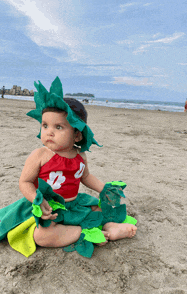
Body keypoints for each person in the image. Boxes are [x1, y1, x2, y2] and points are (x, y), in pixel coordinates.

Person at [19, 77, 137, 250]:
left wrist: (103, 189)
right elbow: (25, 182)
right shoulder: (40, 155)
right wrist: (37, 199)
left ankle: (109, 227)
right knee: (41, 236)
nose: (49, 132)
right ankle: (83, 232)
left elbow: (86, 176)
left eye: (58, 127)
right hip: (49, 209)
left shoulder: (80, 156)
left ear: (77, 135)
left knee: (100, 209)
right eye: (45, 126)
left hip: (74, 204)